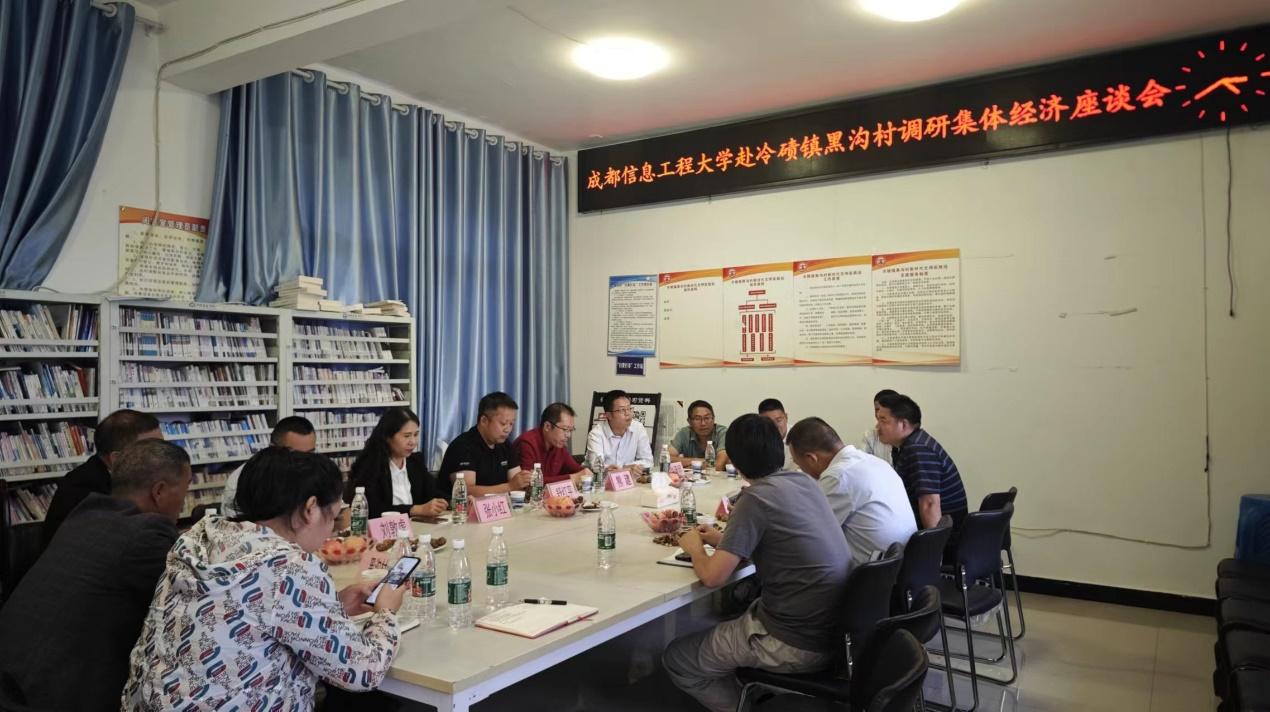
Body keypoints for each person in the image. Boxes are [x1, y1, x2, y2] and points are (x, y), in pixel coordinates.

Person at [123, 448, 404, 710]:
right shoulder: (289, 567)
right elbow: (363, 671)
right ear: (310, 509)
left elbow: (249, 614)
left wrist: (333, 605)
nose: (330, 530)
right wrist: (386, 613)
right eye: (333, 516)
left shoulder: (198, 540)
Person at [664, 414, 850, 712]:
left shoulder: (755, 498)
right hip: (835, 631)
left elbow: (713, 577)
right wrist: (723, 540)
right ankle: (754, 695)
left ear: (735, 461)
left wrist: (695, 548)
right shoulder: (805, 481)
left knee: (678, 658)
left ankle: (747, 706)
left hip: (793, 641)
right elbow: (782, 543)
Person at [0, 440, 191, 712]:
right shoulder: (146, 534)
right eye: (185, 490)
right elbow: (192, 595)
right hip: (49, 697)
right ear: (159, 491)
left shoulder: (86, 513)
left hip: (14, 673)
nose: (183, 503)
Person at [786, 417, 916, 569]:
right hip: (904, 564)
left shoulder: (838, 476)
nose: (800, 470)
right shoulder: (875, 462)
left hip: (875, 573)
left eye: (798, 464)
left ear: (811, 458)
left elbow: (808, 536)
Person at [41, 409, 162, 546]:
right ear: (117, 459)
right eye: (152, 452)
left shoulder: (125, 476)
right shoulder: (85, 491)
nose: (163, 458)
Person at [876, 392, 969, 530]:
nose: (877, 426)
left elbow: (929, 504)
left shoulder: (918, 449)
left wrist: (933, 543)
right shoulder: (909, 445)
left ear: (903, 424)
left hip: (947, 535)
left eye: (883, 421)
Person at [347, 407, 448, 518]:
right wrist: (415, 510)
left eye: (416, 435)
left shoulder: (416, 462)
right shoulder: (370, 466)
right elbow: (372, 509)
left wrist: (450, 501)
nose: (413, 442)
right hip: (384, 527)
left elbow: (433, 492)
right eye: (407, 436)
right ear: (388, 437)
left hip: (416, 525)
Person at [221, 416, 318, 517]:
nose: (304, 462)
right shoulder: (243, 481)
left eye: (310, 454)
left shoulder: (315, 472)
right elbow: (238, 524)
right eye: (295, 455)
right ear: (273, 448)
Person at [440, 391, 530, 497]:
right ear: (484, 420)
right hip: (454, 507)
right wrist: (510, 487)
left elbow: (516, 482)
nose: (508, 429)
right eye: (503, 423)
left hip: (497, 505)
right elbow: (465, 491)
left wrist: (526, 481)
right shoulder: (463, 446)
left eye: (511, 424)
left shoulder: (505, 445)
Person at [513, 402, 590, 485]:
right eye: (565, 429)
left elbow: (576, 469)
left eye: (571, 430)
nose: (568, 435)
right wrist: (572, 478)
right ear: (547, 426)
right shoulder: (527, 444)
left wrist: (586, 472)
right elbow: (529, 483)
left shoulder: (558, 444)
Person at [584, 389, 653, 475]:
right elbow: (597, 467)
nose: (628, 413)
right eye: (622, 410)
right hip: (601, 481)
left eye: (629, 408)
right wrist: (625, 469)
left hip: (628, 480)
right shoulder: (596, 434)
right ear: (608, 415)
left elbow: (648, 461)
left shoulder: (638, 428)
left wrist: (633, 467)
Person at [669, 400, 731, 470]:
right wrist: (699, 461)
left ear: (713, 419)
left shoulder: (723, 433)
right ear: (689, 421)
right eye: (697, 419)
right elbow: (667, 459)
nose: (703, 423)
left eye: (707, 418)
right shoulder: (684, 433)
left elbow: (719, 465)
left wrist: (692, 466)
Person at [758, 397, 798, 472]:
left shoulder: (799, 436)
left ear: (786, 417)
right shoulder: (756, 437)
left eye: (779, 420)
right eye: (769, 422)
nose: (775, 426)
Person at [861, 388, 898, 464]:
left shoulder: (905, 435)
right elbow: (864, 464)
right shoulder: (869, 435)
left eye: (884, 410)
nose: (879, 414)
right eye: (877, 409)